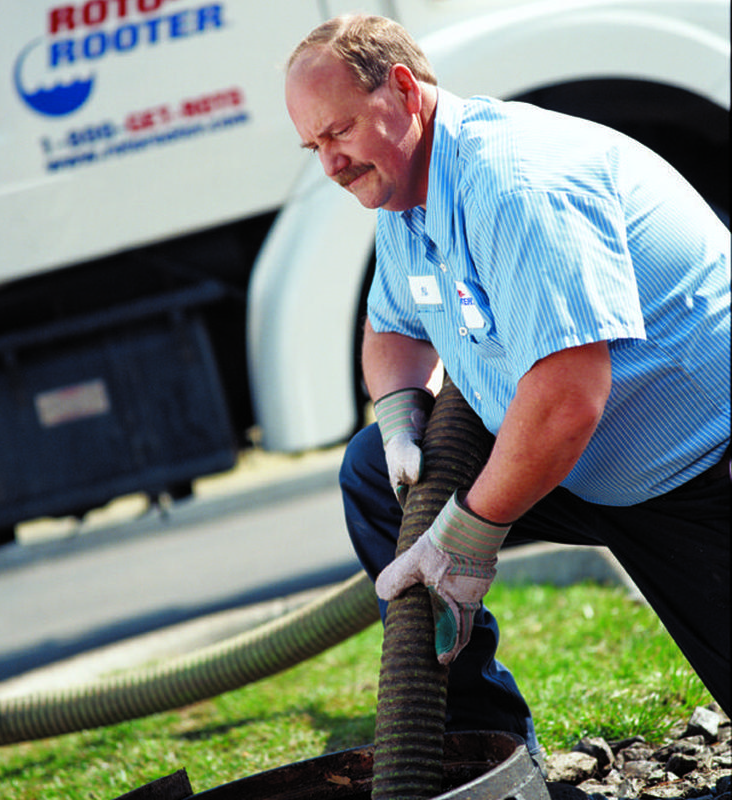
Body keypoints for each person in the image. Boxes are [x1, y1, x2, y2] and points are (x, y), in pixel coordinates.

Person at [284, 14, 731, 759]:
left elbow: (566, 399)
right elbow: (391, 328)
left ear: (403, 90)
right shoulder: (406, 192)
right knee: (373, 472)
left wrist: (464, 537)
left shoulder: (517, 185)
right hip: (590, 467)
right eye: (314, 147)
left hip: (699, 472)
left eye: (338, 133)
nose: (330, 164)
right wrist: (399, 420)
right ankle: (479, 746)